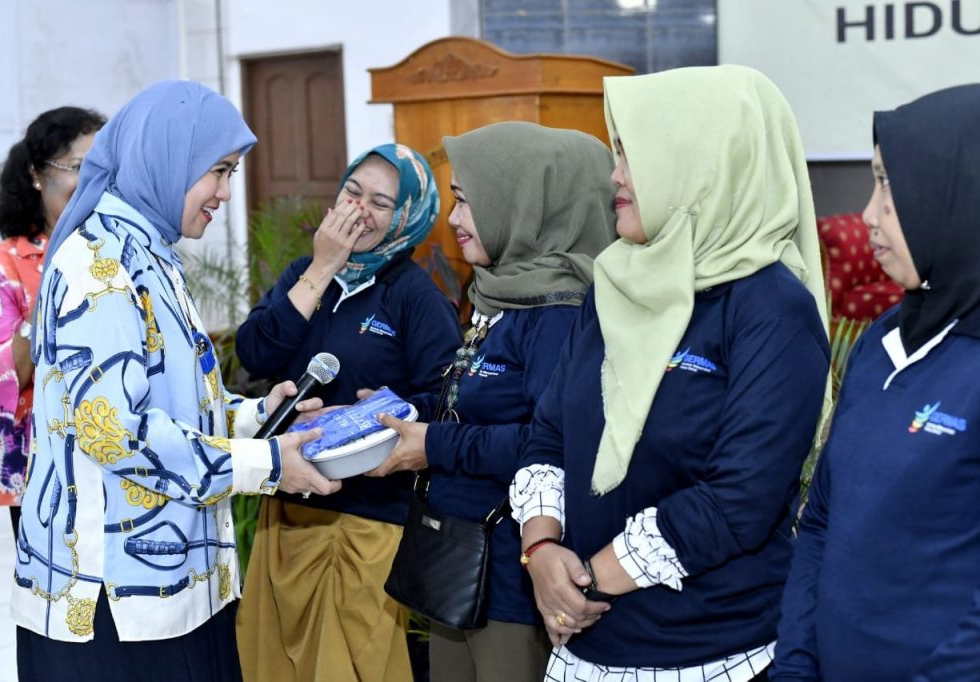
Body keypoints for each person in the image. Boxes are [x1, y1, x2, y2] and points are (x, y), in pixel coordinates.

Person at [509, 66, 831, 681]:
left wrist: (581, 580)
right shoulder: (613, 283)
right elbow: (549, 434)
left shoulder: (770, 309)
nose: (615, 175)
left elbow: (739, 500)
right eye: (617, 153)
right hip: (583, 648)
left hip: (711, 655)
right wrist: (541, 548)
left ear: (702, 163)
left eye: (633, 154)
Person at [13, 80, 337, 682]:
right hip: (114, 604)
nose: (226, 192)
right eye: (217, 171)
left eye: (231, 172)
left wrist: (261, 415)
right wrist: (265, 465)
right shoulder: (101, 267)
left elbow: (170, 401)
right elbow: (116, 434)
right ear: (166, 158)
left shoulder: (150, 253)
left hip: (173, 584)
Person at [371, 121, 618, 681]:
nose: (453, 219)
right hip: (458, 568)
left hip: (510, 579)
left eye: (466, 201)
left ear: (525, 204)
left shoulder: (559, 314)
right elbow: (469, 401)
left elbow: (548, 443)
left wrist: (435, 445)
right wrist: (391, 414)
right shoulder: (503, 291)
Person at [772, 85, 980, 681]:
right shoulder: (882, 339)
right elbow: (821, 521)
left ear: (956, 192)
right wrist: (795, 667)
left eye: (888, 183)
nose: (868, 214)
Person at [233, 143, 461, 682]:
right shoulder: (303, 274)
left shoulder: (415, 297)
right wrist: (321, 267)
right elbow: (255, 353)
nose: (359, 211)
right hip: (287, 507)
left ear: (406, 217)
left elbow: (448, 400)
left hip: (367, 521)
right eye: (352, 193)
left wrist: (384, 411)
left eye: (380, 203)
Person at [0, 106, 105, 535]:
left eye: (102, 168)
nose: (92, 181)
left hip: (123, 467)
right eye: (78, 167)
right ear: (37, 175)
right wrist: (44, 301)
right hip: (41, 475)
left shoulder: (118, 253)